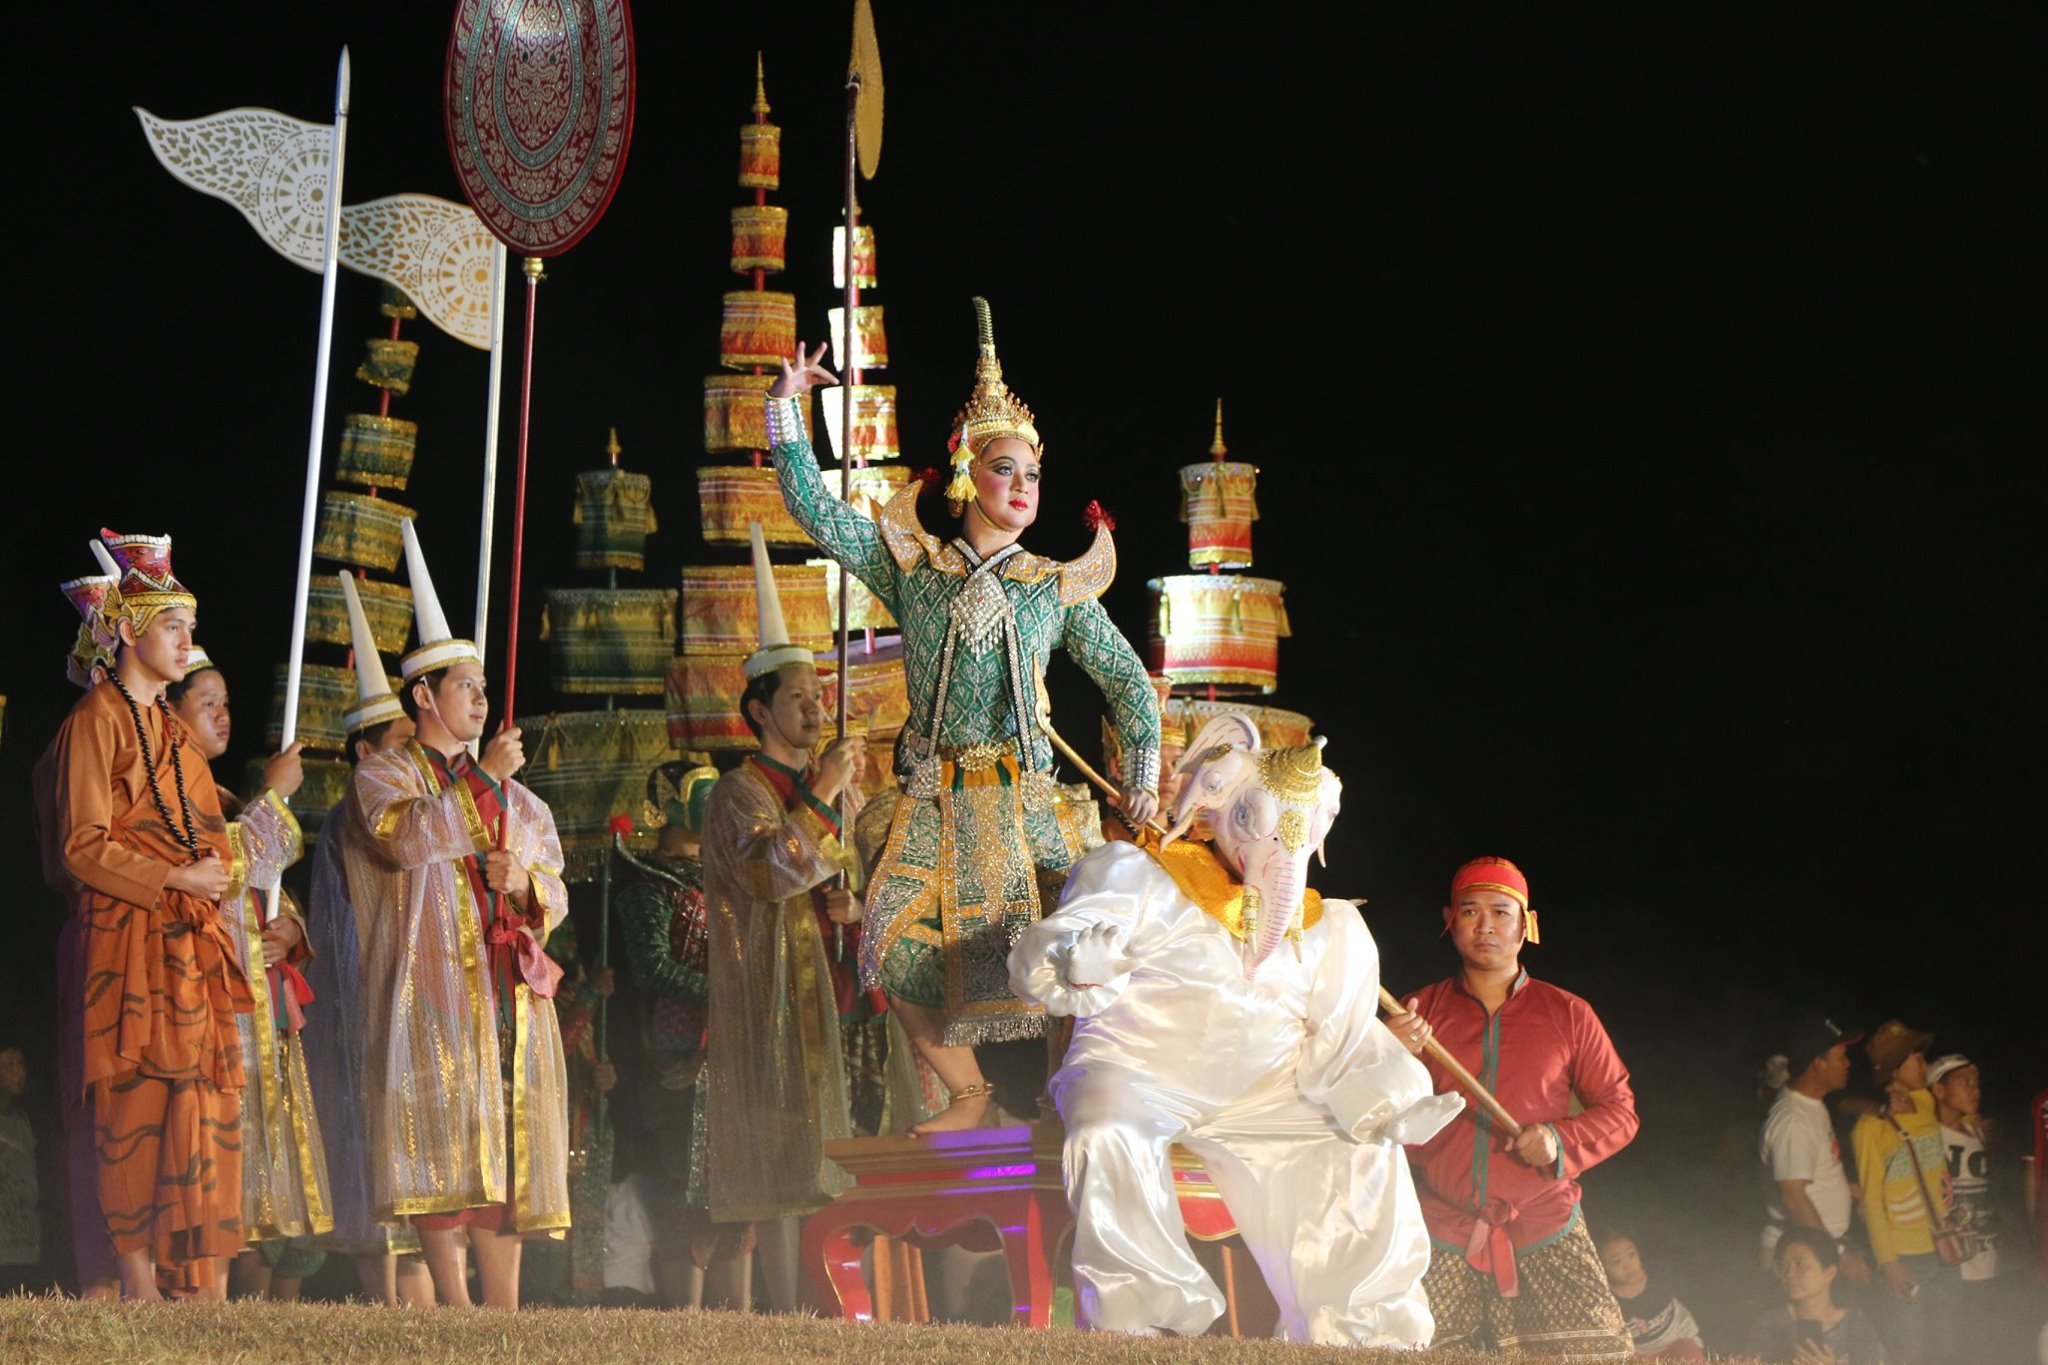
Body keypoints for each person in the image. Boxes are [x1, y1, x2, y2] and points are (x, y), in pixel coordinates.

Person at [767, 298, 1161, 1132]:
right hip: (933, 800)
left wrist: (1144, 778)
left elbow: (1130, 684)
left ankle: (1062, 1095)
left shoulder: (1052, 588)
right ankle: (970, 1092)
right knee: (885, 937)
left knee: (1069, 952)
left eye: (1033, 475)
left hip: (1025, 800)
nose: (1022, 488)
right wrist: (786, 411)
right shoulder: (915, 568)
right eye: (1005, 469)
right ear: (964, 474)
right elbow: (817, 515)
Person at [1009, 716, 1460, 1344]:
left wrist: (1388, 1096)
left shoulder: (1328, 927)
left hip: (1268, 1091)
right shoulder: (1139, 874)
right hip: (1138, 1072)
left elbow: (1342, 1036)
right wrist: (1079, 966)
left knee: (1355, 1144)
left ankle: (1357, 1332)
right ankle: (1139, 1319)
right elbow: (1055, 952)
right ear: (1221, 810)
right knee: (1107, 1124)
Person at [345, 522, 571, 1309]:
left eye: (481, 686)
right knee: (440, 1125)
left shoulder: (518, 797)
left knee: (504, 1129)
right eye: (465, 686)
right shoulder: (384, 775)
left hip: (503, 978)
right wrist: (484, 786)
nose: (480, 697)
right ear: (423, 695)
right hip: (432, 980)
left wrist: (525, 885)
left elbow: (553, 883)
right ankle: (453, 1299)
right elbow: (405, 839)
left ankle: (501, 1303)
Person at [45, 529, 250, 1299]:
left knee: (199, 1099)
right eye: (172, 626)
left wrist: (212, 873)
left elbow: (213, 836)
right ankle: (136, 1281)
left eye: (189, 627)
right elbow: (81, 844)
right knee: (133, 1100)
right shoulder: (95, 720)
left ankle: (197, 1280)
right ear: (130, 631)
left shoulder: (174, 733)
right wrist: (170, 873)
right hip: (124, 936)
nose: (186, 641)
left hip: (187, 943)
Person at [700, 525, 868, 1311]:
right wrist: (822, 792)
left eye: (818, 693)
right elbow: (770, 873)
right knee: (784, 1158)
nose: (815, 705)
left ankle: (842, 1300)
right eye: (797, 697)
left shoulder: (832, 786)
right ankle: (793, 1305)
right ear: (760, 710)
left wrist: (853, 904)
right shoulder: (738, 792)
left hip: (833, 990)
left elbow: (853, 869)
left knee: (840, 1150)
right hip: (770, 991)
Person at [1384, 855, 1639, 1357]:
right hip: (1439, 1226)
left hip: (1546, 1223)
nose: (1485, 926)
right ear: (1449, 921)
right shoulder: (1415, 1014)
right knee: (1410, 1352)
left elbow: (1620, 1111)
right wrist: (1385, 1056)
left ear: (1527, 924)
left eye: (1501, 912)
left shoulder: (1568, 1013)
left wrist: (1558, 1139)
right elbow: (1365, 1113)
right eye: (1470, 911)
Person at [166, 648, 331, 1299]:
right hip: (202, 989)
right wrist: (275, 797)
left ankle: (246, 1300)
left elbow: (267, 886)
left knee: (257, 1146)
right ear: (171, 710)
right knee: (214, 1138)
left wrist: (290, 927)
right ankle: (202, 1292)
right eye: (207, 702)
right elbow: (222, 866)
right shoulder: (167, 787)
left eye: (227, 703)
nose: (223, 715)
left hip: (252, 992)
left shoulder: (221, 793)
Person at [300, 572, 432, 1306]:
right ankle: (384, 1295)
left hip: (413, 990)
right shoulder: (357, 812)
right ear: (365, 751)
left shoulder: (416, 804)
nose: (414, 753)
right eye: (401, 741)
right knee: (369, 1125)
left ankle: (418, 1294)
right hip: (366, 993)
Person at [614, 762, 752, 1309]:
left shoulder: (727, 877)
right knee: (686, 1188)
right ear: (664, 810)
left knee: (736, 1193)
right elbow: (650, 966)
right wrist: (722, 997)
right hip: (677, 1056)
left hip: (733, 1051)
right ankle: (686, 1321)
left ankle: (739, 1327)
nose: (718, 810)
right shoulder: (649, 881)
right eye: (705, 797)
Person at [36, 559, 125, 1298]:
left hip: (144, 928)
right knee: (100, 1102)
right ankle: (102, 1275)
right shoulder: (84, 736)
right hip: (101, 928)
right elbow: (82, 851)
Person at [1851, 1020, 1954, 1365]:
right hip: (1906, 1257)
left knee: (1947, 1342)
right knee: (1911, 1349)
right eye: (1918, 1059)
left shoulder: (1925, 1102)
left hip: (1944, 1245)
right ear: (1894, 1070)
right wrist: (1888, 1262)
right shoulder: (1871, 1128)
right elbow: (1872, 1201)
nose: (1926, 1065)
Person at [1761, 1017, 1870, 1279]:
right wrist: (1837, 1255)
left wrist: (1842, 1188)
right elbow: (1792, 1195)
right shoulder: (1794, 1119)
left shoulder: (1810, 1106)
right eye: (1841, 1057)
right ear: (1818, 1063)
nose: (1848, 1063)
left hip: (1816, 1247)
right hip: (1804, 1255)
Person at [1749, 1226, 1891, 1364]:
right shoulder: (1771, 1325)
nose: (1789, 1274)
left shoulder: (1855, 1328)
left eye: (1800, 1265)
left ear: (1829, 1273)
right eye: (1783, 1265)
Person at [1596, 1225, 1706, 1359]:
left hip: (1674, 1340)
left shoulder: (1658, 1277)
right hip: (1640, 1353)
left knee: (1690, 1353)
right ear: (1601, 1268)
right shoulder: (1606, 1300)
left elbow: (1679, 1315)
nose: (1628, 1265)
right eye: (1616, 1262)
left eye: (1631, 1254)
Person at [0, 1043, 39, 1293]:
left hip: (24, 1239)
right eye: (9, 1065)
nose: (18, 1073)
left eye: (20, 1064)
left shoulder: (23, 1118)